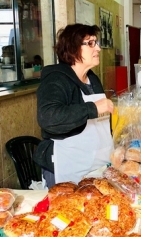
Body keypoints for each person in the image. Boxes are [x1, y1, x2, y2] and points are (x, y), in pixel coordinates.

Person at [33, 24, 114, 188]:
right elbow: (48, 117)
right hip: (67, 167)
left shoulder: (92, 79)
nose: (98, 48)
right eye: (90, 43)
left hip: (96, 167)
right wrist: (93, 108)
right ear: (72, 49)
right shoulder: (56, 79)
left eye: (96, 42)